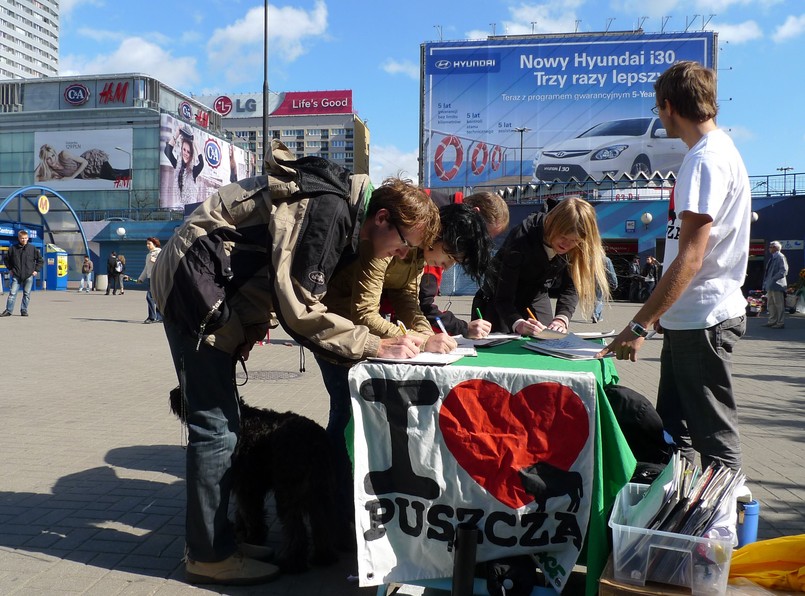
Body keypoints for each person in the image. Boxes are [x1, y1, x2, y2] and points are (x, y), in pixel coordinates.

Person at [150, 141, 432, 586]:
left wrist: (243, 330)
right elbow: (298, 307)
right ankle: (208, 553)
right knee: (215, 428)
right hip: (194, 285)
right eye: (402, 245)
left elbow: (267, 270)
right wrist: (374, 346)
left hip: (210, 286)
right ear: (382, 218)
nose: (399, 256)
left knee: (226, 425)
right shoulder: (331, 211)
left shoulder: (338, 208)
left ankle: (221, 537)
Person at [598, 61, 751, 473]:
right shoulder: (717, 153)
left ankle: (725, 529)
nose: (659, 116)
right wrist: (666, 315)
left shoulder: (705, 160)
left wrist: (639, 325)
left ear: (668, 106)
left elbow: (692, 257)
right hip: (692, 319)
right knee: (673, 433)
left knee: (714, 441)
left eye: (656, 109)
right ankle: (677, 520)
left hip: (705, 319)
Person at [472, 196, 610, 335]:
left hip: (536, 294)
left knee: (549, 337)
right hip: (497, 297)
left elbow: (571, 286)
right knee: (501, 344)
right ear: (551, 224)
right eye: (563, 236)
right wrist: (517, 323)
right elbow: (503, 295)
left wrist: (562, 318)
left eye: (574, 240)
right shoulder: (522, 238)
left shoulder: (578, 246)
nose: (566, 244)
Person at [419, 191, 510, 337]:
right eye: (482, 236)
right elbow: (422, 306)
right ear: (474, 214)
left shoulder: (436, 209)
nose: (478, 245)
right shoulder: (437, 229)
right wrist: (463, 328)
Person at [1, 230, 43, 317]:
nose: (24, 240)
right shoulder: (13, 248)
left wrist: (36, 270)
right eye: (22, 238)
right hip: (16, 274)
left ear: (28, 238)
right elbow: (6, 259)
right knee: (12, 293)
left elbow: (40, 260)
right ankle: (8, 311)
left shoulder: (32, 249)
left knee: (26, 294)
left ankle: (24, 310)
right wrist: (10, 269)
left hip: (28, 275)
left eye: (25, 238)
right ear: (19, 238)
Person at [35, 144, 131, 182]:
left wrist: (72, 177)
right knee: (116, 174)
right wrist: (40, 164)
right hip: (90, 173)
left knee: (114, 176)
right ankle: (137, 172)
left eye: (52, 155)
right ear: (44, 160)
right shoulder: (53, 172)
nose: (52, 160)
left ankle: (138, 173)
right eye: (48, 158)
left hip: (92, 161)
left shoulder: (64, 154)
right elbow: (34, 178)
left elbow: (84, 162)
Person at [164, 125, 204, 203]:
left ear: (191, 154)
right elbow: (167, 151)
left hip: (190, 209)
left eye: (188, 152)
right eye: (184, 150)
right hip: (179, 208)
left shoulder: (193, 171)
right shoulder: (177, 166)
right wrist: (177, 134)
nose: (185, 153)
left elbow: (201, 163)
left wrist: (194, 142)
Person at [136, 237, 163, 324]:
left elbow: (164, 264)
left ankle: (152, 317)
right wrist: (141, 278)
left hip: (158, 277)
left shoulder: (160, 252)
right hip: (150, 278)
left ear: (155, 244)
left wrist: (155, 260)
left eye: (149, 244)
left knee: (150, 297)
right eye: (147, 244)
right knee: (156, 297)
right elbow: (146, 268)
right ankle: (159, 317)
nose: (147, 245)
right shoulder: (148, 255)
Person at [762, 240, 788, 329]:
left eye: (771, 247)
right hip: (770, 285)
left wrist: (773, 279)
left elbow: (784, 271)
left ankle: (780, 323)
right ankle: (772, 321)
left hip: (777, 285)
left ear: (776, 248)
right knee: (771, 304)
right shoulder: (772, 258)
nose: (769, 248)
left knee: (779, 304)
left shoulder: (781, 257)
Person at [592, 255, 618, 323]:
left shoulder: (590, 259)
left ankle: (599, 317)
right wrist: (615, 283)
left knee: (597, 298)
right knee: (600, 299)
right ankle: (595, 313)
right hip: (601, 281)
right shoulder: (606, 260)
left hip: (591, 281)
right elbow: (611, 273)